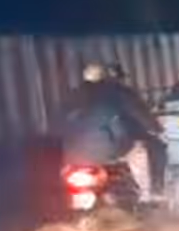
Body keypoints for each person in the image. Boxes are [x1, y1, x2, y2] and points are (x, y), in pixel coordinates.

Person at [60, 63, 165, 202]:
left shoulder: (74, 95)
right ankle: (147, 195)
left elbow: (59, 121)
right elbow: (139, 113)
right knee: (139, 152)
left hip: (71, 153)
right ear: (107, 77)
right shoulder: (117, 92)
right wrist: (156, 129)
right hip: (107, 147)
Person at [103, 61, 167, 202]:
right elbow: (139, 113)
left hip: (93, 145)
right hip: (123, 140)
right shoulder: (123, 93)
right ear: (120, 78)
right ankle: (154, 190)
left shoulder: (92, 95)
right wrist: (156, 129)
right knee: (159, 148)